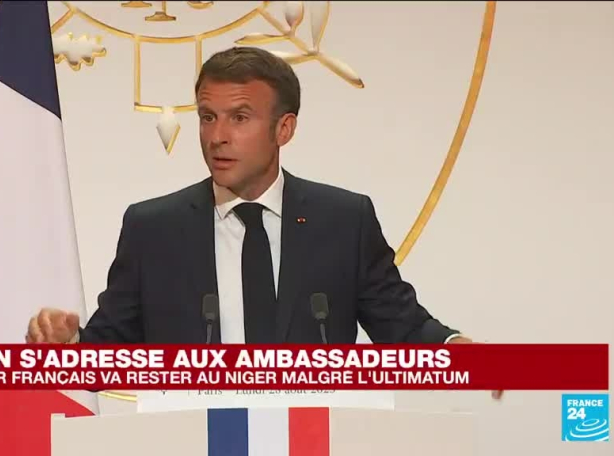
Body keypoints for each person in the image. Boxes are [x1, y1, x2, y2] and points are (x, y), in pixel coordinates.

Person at [27, 46, 480, 350]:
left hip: (310, 439)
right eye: (208, 117)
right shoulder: (154, 229)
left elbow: (402, 325)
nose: (217, 137)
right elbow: (109, 348)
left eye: (239, 117)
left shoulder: (344, 221)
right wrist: (69, 344)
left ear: (284, 128)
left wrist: (455, 348)